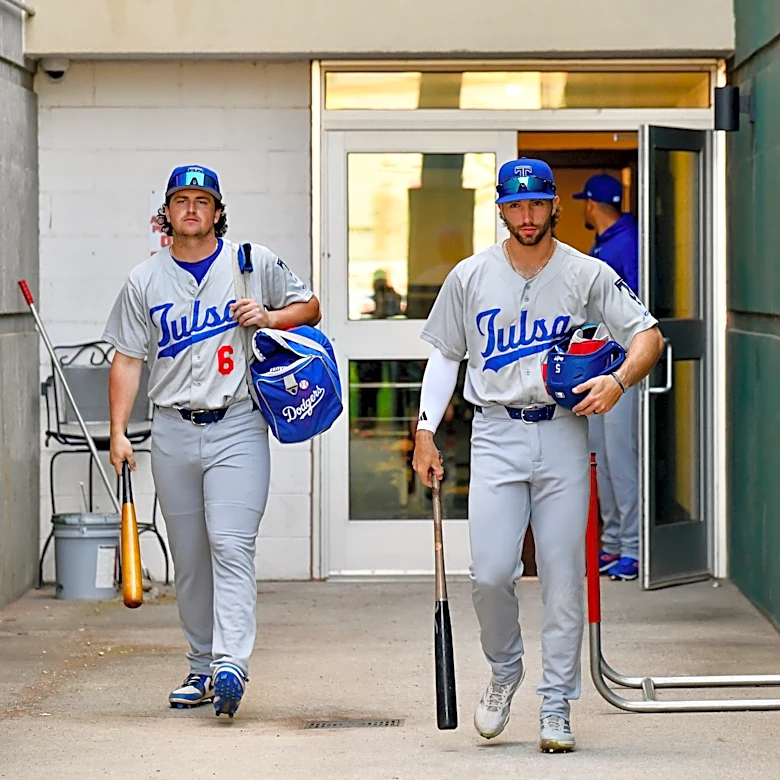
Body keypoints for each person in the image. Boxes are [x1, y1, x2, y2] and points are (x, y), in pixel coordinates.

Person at [412, 158, 663, 752]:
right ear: (500, 209)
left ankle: (556, 702)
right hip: (496, 431)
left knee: (561, 576)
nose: (527, 215)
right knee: (491, 573)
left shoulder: (587, 272)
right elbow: (446, 356)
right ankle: (505, 668)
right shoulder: (470, 276)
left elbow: (647, 334)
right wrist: (425, 430)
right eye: (515, 204)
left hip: (562, 433)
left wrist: (620, 380)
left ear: (554, 205)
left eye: (537, 203)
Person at [103, 165, 321, 718]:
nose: (192, 209)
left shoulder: (251, 262)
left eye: (203, 200)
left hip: (238, 421)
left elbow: (310, 307)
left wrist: (270, 316)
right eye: (182, 200)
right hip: (173, 427)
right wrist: (118, 432)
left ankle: (230, 664)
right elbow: (128, 358)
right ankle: (200, 665)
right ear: (167, 213)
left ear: (218, 211)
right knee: (192, 559)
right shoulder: (145, 279)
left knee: (230, 543)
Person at [572, 174, 641, 580]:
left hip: (622, 370)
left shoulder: (626, 241)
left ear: (592, 205)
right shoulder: (605, 242)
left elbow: (634, 310)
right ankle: (613, 542)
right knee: (599, 458)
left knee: (621, 460)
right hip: (599, 366)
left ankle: (631, 547)